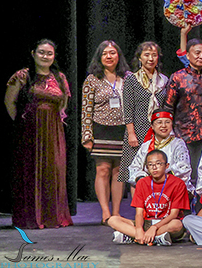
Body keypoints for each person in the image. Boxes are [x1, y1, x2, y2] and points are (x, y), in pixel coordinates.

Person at [5, 39, 72, 229]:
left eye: (49, 53)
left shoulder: (59, 77)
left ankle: (53, 216)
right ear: (33, 54)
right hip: (29, 131)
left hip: (54, 131)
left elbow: (63, 102)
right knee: (31, 170)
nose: (45, 56)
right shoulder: (22, 76)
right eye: (41, 52)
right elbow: (9, 102)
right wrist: (22, 122)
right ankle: (30, 217)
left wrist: (58, 116)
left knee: (53, 170)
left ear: (54, 56)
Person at [82, 40, 131, 222]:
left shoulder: (128, 77)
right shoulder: (92, 79)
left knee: (119, 171)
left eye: (112, 53)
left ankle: (116, 213)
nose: (109, 56)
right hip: (101, 129)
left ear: (118, 56)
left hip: (123, 130)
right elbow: (86, 110)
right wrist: (87, 135)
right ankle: (105, 212)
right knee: (103, 170)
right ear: (100, 57)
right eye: (105, 53)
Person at [109, 150, 188, 245]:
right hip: (146, 222)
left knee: (177, 225)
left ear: (166, 166)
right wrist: (139, 228)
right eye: (150, 165)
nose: (154, 168)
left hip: (165, 223)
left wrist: (154, 227)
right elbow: (139, 213)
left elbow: (174, 214)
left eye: (158, 164)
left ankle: (134, 237)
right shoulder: (142, 183)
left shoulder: (178, 183)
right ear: (146, 168)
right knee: (113, 220)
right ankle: (155, 238)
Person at [122, 42, 169, 188]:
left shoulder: (163, 80)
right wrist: (131, 133)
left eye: (154, 55)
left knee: (156, 168)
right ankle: (137, 203)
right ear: (140, 58)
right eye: (147, 55)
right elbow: (127, 108)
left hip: (158, 131)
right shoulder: (132, 79)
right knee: (136, 172)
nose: (151, 58)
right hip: (138, 131)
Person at [164, 37, 202, 174]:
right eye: (197, 53)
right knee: (183, 173)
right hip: (182, 134)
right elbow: (168, 107)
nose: (201, 56)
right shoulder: (177, 77)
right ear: (188, 55)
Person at [127, 110, 192, 184]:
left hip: (172, 185)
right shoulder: (146, 146)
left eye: (167, 122)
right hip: (149, 185)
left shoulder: (178, 144)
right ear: (152, 126)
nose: (164, 125)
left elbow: (184, 167)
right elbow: (134, 168)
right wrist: (144, 178)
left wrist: (162, 177)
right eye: (159, 122)